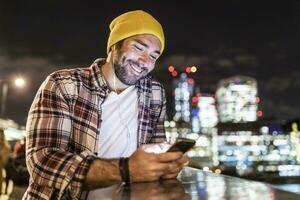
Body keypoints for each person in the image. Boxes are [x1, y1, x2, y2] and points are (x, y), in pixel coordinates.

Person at [24, 10, 188, 200]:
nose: (145, 61)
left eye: (153, 56)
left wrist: (165, 165)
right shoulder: (64, 84)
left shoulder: (155, 93)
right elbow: (42, 161)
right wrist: (124, 170)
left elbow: (155, 151)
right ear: (113, 46)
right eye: (138, 47)